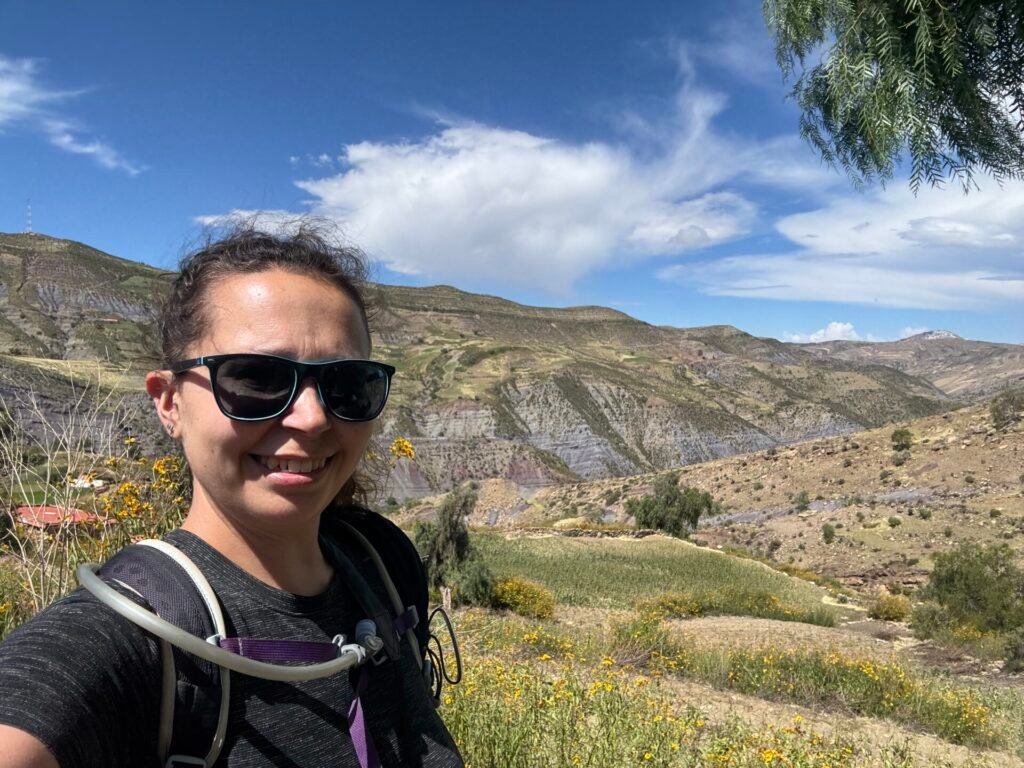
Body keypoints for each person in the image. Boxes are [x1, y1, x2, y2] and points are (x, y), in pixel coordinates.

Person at [0, 226, 464, 767]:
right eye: (255, 379)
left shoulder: (382, 564)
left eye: (347, 384)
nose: (312, 418)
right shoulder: (126, 635)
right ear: (169, 402)